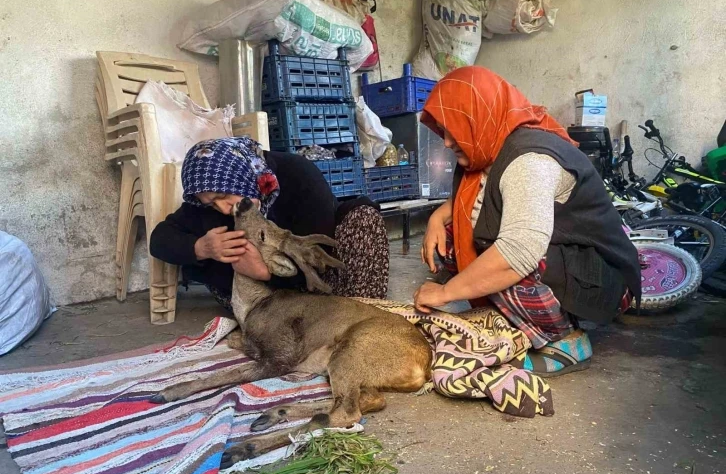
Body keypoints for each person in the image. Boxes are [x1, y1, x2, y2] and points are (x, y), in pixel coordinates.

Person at [413, 66, 641, 377]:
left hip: (601, 278)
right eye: (444, 131)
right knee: (457, 234)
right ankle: (516, 321)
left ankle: (568, 341)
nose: (448, 143)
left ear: (479, 118)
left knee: (517, 258)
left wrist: (444, 293)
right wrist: (438, 217)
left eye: (455, 130)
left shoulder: (529, 162)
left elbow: (518, 253)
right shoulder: (490, 145)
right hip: (569, 261)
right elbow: (482, 192)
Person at [150, 137, 389, 311]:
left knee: (364, 217)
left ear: (240, 176)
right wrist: (201, 248)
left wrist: (265, 273)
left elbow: (318, 254)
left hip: (319, 278)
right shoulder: (207, 198)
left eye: (222, 197)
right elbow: (159, 240)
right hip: (263, 301)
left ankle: (364, 311)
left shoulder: (297, 173)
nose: (223, 208)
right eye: (211, 204)